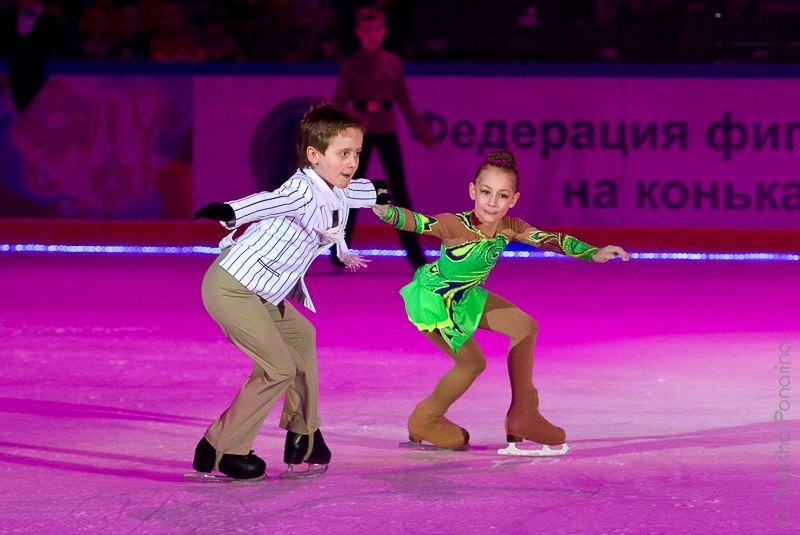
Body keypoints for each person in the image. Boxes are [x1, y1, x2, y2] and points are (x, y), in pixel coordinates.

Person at [372, 150, 630, 454]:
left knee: (524, 327)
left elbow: (550, 239)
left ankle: (524, 415)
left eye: (502, 195)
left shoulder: (510, 227)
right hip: (436, 301)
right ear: (472, 191)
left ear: (513, 199)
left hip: (467, 297)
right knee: (472, 363)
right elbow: (416, 222)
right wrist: (383, 208)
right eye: (485, 192)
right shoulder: (454, 225)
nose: (492, 202)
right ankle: (425, 419)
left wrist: (592, 253)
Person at [190, 103, 383, 480]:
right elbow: (268, 201)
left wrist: (388, 197)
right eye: (343, 154)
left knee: (303, 337)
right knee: (278, 369)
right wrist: (229, 211)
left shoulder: (337, 190)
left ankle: (304, 434)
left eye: (357, 153)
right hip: (234, 287)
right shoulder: (302, 191)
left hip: (264, 291)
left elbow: (364, 192)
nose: (352, 162)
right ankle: (221, 449)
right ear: (314, 155)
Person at [334, 5, 436, 269]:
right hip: (360, 134)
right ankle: (340, 251)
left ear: (384, 32)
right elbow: (340, 100)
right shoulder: (351, 64)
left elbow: (404, 99)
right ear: (358, 33)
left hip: (387, 128)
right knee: (351, 191)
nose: (372, 34)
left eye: (377, 30)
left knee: (399, 192)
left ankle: (415, 255)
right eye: (367, 30)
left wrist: (418, 127)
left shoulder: (393, 62)